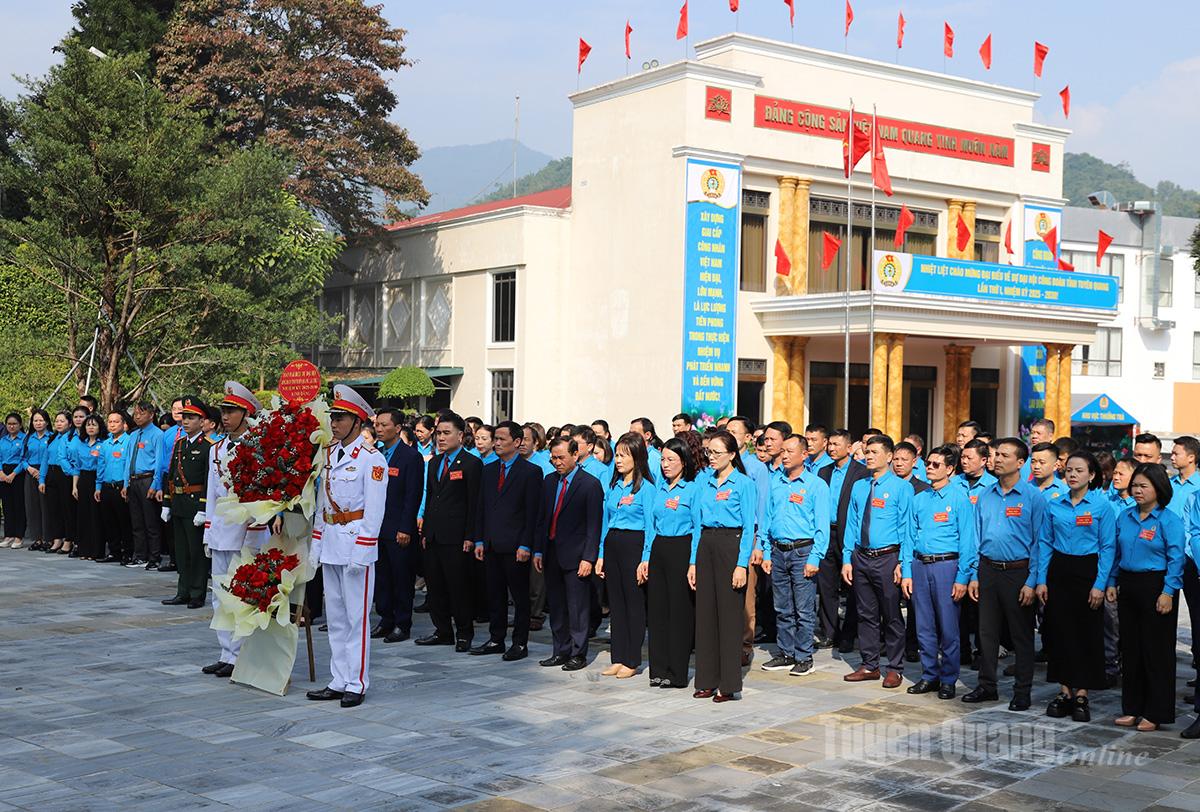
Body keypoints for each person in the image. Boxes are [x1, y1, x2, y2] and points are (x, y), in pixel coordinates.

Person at [307, 385, 388, 708]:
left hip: (355, 544)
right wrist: (316, 543)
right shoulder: (329, 454)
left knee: (357, 618)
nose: (334, 423)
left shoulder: (371, 459)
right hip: (331, 543)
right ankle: (338, 679)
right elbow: (321, 505)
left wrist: (363, 550)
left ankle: (357, 682)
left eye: (340, 418)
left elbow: (375, 510)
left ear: (357, 421)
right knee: (337, 617)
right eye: (333, 418)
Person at [963, 438, 1045, 711]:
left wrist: (1032, 581)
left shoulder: (1033, 497)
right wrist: (974, 574)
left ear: (1020, 463)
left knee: (1021, 635)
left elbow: (1040, 542)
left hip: (1018, 573)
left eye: (1004, 455)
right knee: (986, 633)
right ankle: (987, 686)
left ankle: (1022, 691)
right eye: (996, 454)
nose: (997, 459)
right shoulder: (986, 495)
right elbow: (976, 537)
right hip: (988, 569)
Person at [1035, 451, 1115, 722]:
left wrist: (1100, 584)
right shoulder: (1054, 505)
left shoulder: (1102, 506)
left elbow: (1108, 547)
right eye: (1069, 469)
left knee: (1086, 634)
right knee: (1059, 632)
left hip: (1088, 571)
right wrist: (1041, 580)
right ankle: (1064, 691)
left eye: (1079, 470)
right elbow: (1045, 543)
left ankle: (1082, 693)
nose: (1072, 475)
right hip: (1059, 571)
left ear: (1091, 475)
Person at [1109, 463, 1183, 733]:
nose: (1137, 491)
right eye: (1135, 486)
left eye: (1143, 486)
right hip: (1128, 584)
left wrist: (1168, 592)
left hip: (1156, 586)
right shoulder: (1125, 516)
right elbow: (1116, 553)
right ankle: (1132, 707)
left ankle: (1156, 711)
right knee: (1131, 649)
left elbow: (1176, 559)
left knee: (1156, 652)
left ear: (1158, 489)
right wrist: (1112, 581)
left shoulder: (1169, 520)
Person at [200, 383, 268, 677]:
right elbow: (212, 493)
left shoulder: (257, 446)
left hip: (245, 531)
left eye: (232, 411)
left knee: (242, 595)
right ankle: (226, 652)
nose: (225, 417)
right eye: (223, 411)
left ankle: (241, 654)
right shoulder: (216, 448)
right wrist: (208, 530)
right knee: (220, 595)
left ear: (246, 413)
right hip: (221, 530)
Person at [902, 444, 977, 700]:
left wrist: (963, 577)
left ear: (950, 469)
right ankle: (929, 675)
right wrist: (907, 571)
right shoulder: (919, 498)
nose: (930, 468)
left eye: (936, 464)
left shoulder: (959, 498)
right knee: (923, 625)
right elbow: (909, 537)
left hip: (947, 566)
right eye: (928, 464)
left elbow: (968, 541)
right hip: (920, 565)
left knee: (948, 627)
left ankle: (948, 678)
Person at [842, 435, 915, 688]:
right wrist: (847, 558)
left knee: (892, 615)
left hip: (888, 558)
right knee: (866, 614)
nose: (868, 456)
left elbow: (907, 529)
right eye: (867, 452)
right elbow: (852, 524)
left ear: (889, 456)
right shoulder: (859, 486)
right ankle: (869, 664)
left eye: (874, 452)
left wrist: (903, 563)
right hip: (861, 556)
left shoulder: (901, 488)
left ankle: (895, 668)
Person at [691, 430, 757, 702]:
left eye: (717, 453)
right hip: (706, 544)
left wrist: (741, 564)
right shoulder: (704, 482)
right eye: (709, 452)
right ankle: (706, 679)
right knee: (705, 616)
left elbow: (749, 527)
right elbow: (697, 525)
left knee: (729, 618)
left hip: (732, 545)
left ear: (731, 454)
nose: (712, 457)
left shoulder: (743, 483)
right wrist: (693, 562)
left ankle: (728, 685)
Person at [760, 434, 830, 677]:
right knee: (782, 607)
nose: (785, 455)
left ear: (804, 455)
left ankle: (804, 656)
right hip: (778, 550)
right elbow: (767, 518)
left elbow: (822, 525)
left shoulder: (816, 485)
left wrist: (815, 557)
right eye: (783, 451)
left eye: (790, 451)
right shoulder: (776, 482)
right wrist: (766, 551)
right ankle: (786, 653)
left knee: (803, 608)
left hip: (803, 551)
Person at [471, 421, 540, 661]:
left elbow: (532, 513)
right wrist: (479, 539)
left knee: (519, 597)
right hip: (491, 544)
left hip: (516, 546)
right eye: (496, 439)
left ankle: (520, 643)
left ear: (517, 442)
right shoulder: (489, 470)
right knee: (495, 594)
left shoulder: (530, 472)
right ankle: (496, 638)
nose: (497, 443)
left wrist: (526, 544)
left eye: (502, 439)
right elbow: (481, 508)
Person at [415, 412, 483, 651]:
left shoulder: (472, 464)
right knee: (435, 587)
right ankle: (442, 630)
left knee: (458, 587)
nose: (441, 438)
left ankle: (464, 633)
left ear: (460, 435)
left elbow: (474, 503)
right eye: (438, 433)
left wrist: (470, 535)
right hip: (434, 535)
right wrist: (426, 532)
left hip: (457, 537)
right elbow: (432, 498)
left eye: (446, 433)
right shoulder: (434, 463)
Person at [534, 437, 603, 672]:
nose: (557, 462)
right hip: (551, 551)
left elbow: (594, 525)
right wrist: (538, 550)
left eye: (561, 457)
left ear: (575, 455)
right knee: (556, 606)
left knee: (577, 607)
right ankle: (560, 650)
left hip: (577, 555)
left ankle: (577, 653)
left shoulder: (590, 484)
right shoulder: (549, 481)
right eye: (553, 458)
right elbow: (542, 519)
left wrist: (588, 558)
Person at [597, 433, 656, 678]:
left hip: (634, 544)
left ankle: (632, 659)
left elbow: (651, 527)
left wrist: (646, 558)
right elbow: (605, 522)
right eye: (617, 455)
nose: (618, 460)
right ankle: (618, 657)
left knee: (633, 603)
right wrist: (601, 554)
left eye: (624, 455)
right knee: (616, 603)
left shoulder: (647, 489)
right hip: (613, 543)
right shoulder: (614, 486)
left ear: (637, 457)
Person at [646, 437, 702, 689]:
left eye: (671, 459)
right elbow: (651, 526)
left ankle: (677, 672)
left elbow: (698, 528)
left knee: (679, 612)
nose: (665, 464)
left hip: (682, 548)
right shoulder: (659, 488)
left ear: (684, 461)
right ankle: (658, 669)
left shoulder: (693, 489)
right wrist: (646, 557)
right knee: (657, 611)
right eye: (662, 459)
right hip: (659, 548)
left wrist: (693, 562)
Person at [369, 408, 424, 645]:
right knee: (382, 577)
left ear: (398, 428)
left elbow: (413, 496)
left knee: (401, 578)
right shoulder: (375, 454)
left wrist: (405, 528)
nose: (379, 429)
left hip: (398, 528)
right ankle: (385, 619)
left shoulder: (410, 457)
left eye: (384, 425)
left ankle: (402, 623)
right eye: (377, 425)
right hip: (376, 527)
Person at [817, 428, 869, 653]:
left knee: (852, 585)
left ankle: (849, 634)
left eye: (836, 444)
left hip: (849, 534)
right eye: (830, 444)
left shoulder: (861, 472)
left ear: (849, 447)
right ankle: (830, 632)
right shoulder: (824, 471)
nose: (831, 448)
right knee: (826, 585)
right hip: (826, 533)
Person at [160, 397, 213, 610]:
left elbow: (209, 481)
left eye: (191, 418)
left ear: (202, 421)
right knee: (181, 552)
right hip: (179, 502)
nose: (186, 421)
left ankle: (197, 593)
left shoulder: (208, 446)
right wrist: (167, 502)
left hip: (195, 503)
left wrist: (203, 508)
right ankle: (183, 591)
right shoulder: (180, 444)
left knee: (196, 552)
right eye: (185, 417)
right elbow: (172, 475)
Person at [1168, 437, 1200, 674]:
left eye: (1176, 453)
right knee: (1165, 610)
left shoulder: (1198, 488)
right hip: (1168, 558)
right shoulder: (1168, 485)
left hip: (1191, 559)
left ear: (1191, 457)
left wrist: (1190, 555)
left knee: (1196, 615)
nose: (1171, 457)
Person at [123, 402, 165, 569]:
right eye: (135, 413)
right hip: (133, 480)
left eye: (141, 413)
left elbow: (160, 461)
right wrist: (125, 483)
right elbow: (128, 460)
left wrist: (156, 484)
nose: (137, 416)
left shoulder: (157, 434)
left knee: (151, 521)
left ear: (151, 415)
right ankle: (140, 556)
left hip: (148, 479)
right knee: (137, 521)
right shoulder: (133, 435)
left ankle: (154, 557)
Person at [96, 411, 132, 563]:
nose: (112, 425)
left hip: (121, 486)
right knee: (109, 521)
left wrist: (126, 485)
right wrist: (98, 486)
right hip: (106, 486)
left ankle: (128, 552)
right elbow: (101, 466)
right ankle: (114, 551)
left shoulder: (129, 441)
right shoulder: (105, 444)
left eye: (116, 422)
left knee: (124, 521)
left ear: (124, 424)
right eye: (110, 422)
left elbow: (129, 465)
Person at [39, 411, 77, 554]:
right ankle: (57, 538)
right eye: (57, 421)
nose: (59, 424)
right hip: (51, 473)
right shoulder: (53, 437)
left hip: (65, 474)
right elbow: (45, 459)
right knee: (54, 509)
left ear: (69, 423)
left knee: (66, 508)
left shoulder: (72, 437)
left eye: (62, 421)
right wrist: (42, 479)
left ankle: (69, 539)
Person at [70, 413, 106, 561]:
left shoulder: (103, 444)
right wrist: (74, 486)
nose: (90, 428)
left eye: (94, 425)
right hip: (83, 480)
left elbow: (102, 466)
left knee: (95, 516)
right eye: (88, 425)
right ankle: (84, 549)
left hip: (96, 479)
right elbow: (76, 467)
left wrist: (98, 486)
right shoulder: (81, 443)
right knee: (83, 515)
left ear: (99, 427)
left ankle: (96, 551)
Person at [21, 409, 52, 551]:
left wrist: (42, 473)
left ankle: (48, 538)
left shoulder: (51, 437)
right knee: (32, 506)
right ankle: (37, 538)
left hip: (46, 473)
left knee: (46, 506)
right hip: (31, 472)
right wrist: (29, 468)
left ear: (47, 422)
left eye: (41, 420)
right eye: (35, 420)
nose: (38, 423)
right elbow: (22, 458)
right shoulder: (28, 438)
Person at [0, 413, 27, 548]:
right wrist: (1, 473)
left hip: (17, 473)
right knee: (7, 505)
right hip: (3, 473)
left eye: (14, 424)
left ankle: (18, 536)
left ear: (20, 425)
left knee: (18, 505)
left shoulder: (24, 439)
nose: (11, 426)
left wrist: (13, 474)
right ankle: (8, 535)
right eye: (9, 424)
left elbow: (24, 459)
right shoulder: (3, 440)